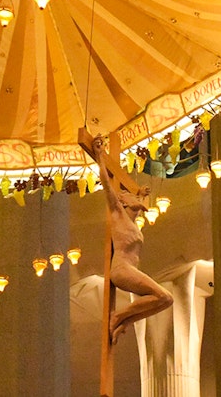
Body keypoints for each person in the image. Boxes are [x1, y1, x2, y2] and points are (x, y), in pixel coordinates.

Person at [92, 136, 173, 344]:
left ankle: (123, 321)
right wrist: (100, 156)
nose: (135, 198)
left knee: (164, 301)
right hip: (121, 269)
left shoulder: (132, 223)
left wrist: (140, 195)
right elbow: (106, 184)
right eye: (129, 195)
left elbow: (138, 206)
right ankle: (119, 317)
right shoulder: (117, 213)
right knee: (164, 297)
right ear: (121, 199)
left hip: (131, 270)